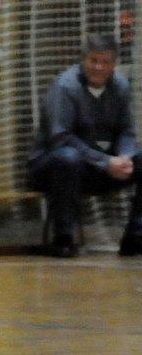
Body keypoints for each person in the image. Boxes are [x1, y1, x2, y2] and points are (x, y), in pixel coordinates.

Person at [29, 34, 142, 257]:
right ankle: (63, 239)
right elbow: (60, 138)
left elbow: (126, 130)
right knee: (67, 157)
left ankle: (135, 236)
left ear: (114, 64)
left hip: (101, 167)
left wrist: (125, 157)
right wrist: (105, 161)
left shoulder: (121, 86)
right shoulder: (65, 86)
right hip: (54, 168)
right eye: (93, 61)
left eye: (105, 62)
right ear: (83, 60)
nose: (99, 67)